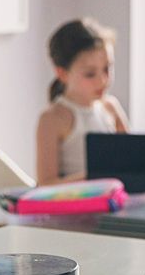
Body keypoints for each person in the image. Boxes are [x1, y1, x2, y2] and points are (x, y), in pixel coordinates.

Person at [36, 18, 129, 186]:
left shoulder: (111, 108)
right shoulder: (53, 119)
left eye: (108, 68)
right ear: (62, 74)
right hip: (73, 207)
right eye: (90, 74)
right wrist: (95, 177)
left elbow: (133, 159)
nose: (103, 80)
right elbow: (45, 184)